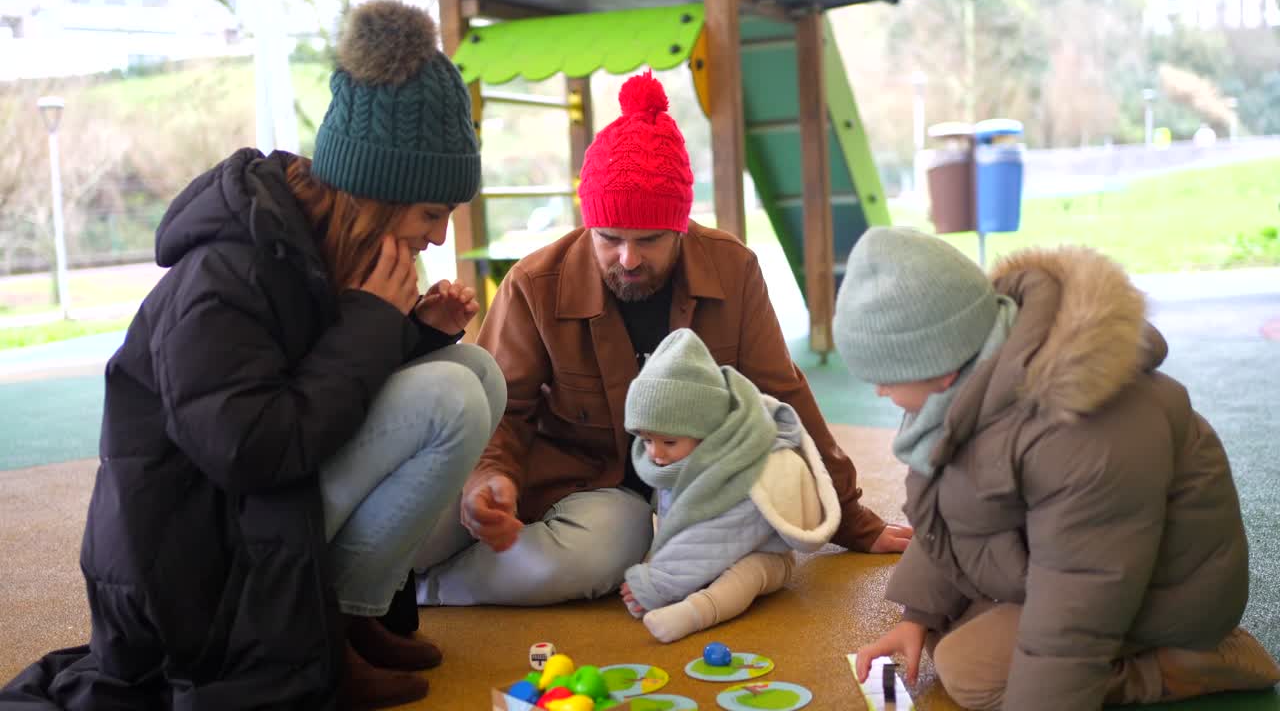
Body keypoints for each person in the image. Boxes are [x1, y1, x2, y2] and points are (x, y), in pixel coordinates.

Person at [0, 0, 504, 710]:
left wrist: (411, 329)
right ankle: (321, 633)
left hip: (260, 503)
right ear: (375, 196)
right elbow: (251, 448)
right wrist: (369, 323)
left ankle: (352, 619)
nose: (438, 236)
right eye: (430, 214)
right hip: (192, 549)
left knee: (473, 371)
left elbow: (315, 380)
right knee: (447, 400)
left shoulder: (326, 248)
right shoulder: (225, 271)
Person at [412, 70, 910, 608]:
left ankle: (425, 589)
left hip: (635, 498)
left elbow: (781, 396)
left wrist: (852, 518)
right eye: (609, 239)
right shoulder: (533, 284)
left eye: (648, 240)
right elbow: (503, 413)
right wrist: (492, 480)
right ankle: (402, 579)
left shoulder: (734, 269)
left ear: (680, 227)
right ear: (588, 227)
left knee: (615, 546)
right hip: (556, 474)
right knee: (422, 518)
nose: (627, 259)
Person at [838, 227, 1280, 710]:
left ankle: (1196, 661)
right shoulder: (968, 379)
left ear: (939, 366)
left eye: (884, 379)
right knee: (951, 633)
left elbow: (1078, 611)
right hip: (1082, 559)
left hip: (1172, 591)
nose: (880, 393)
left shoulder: (1083, 434)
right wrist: (918, 614)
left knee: (968, 671)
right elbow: (951, 507)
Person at [617, 329, 841, 643]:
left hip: (762, 553)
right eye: (646, 440)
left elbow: (716, 538)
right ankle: (686, 585)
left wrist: (659, 582)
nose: (655, 453)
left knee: (746, 575)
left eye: (668, 441)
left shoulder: (748, 468)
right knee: (690, 565)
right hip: (704, 553)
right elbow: (677, 521)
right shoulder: (682, 456)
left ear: (708, 431)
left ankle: (696, 613)